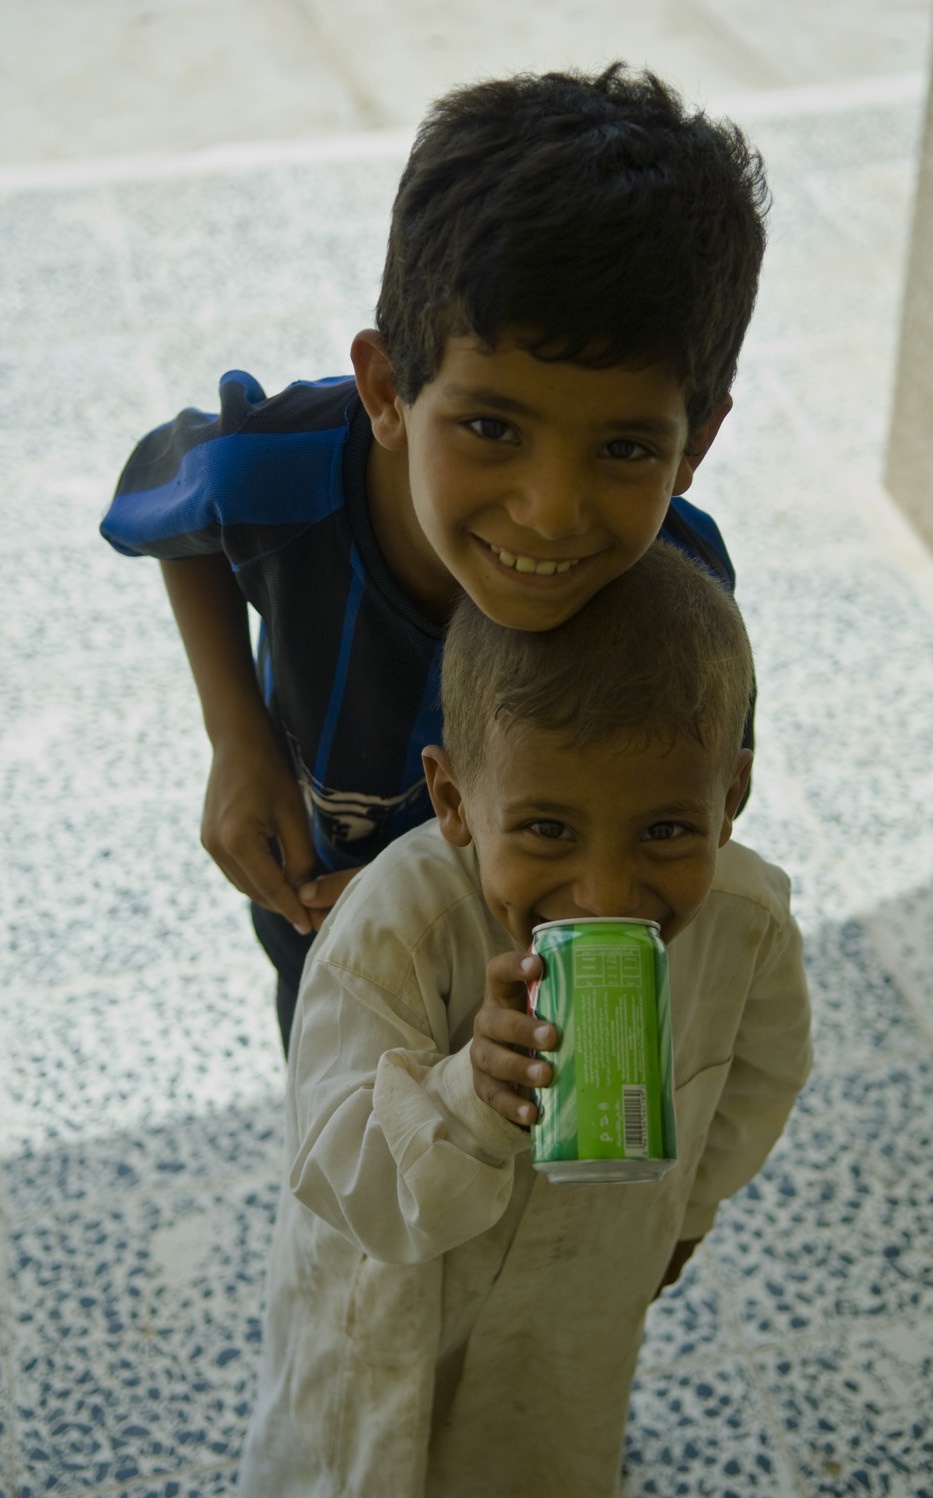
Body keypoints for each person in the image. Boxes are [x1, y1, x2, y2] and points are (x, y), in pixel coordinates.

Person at [99, 63, 770, 1052]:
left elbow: (681, 821)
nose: (549, 514)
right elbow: (168, 509)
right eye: (491, 427)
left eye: (624, 448)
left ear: (695, 445)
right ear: (386, 391)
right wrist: (235, 733)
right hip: (329, 943)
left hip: (544, 975)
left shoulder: (680, 596)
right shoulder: (268, 473)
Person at [236, 541, 812, 1498]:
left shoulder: (746, 921)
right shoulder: (400, 925)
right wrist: (467, 1094)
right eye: (547, 828)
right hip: (388, 1308)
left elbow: (762, 1072)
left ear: (731, 799)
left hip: (575, 1291)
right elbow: (335, 1161)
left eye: (667, 830)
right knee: (353, 1474)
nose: (604, 890)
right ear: (456, 799)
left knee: (535, 1460)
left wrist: (694, 1212)